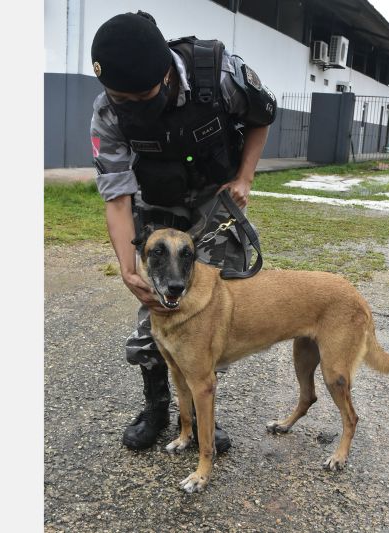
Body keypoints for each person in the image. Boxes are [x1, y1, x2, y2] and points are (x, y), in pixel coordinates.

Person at [89, 11, 276, 452]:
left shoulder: (221, 73)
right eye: (121, 97)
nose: (131, 104)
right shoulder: (107, 111)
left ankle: (201, 406)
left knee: (213, 309)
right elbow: (116, 195)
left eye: (142, 95)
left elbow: (262, 115)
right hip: (156, 207)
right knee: (158, 304)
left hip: (215, 201)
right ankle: (157, 407)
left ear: (167, 73)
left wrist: (245, 177)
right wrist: (126, 267)